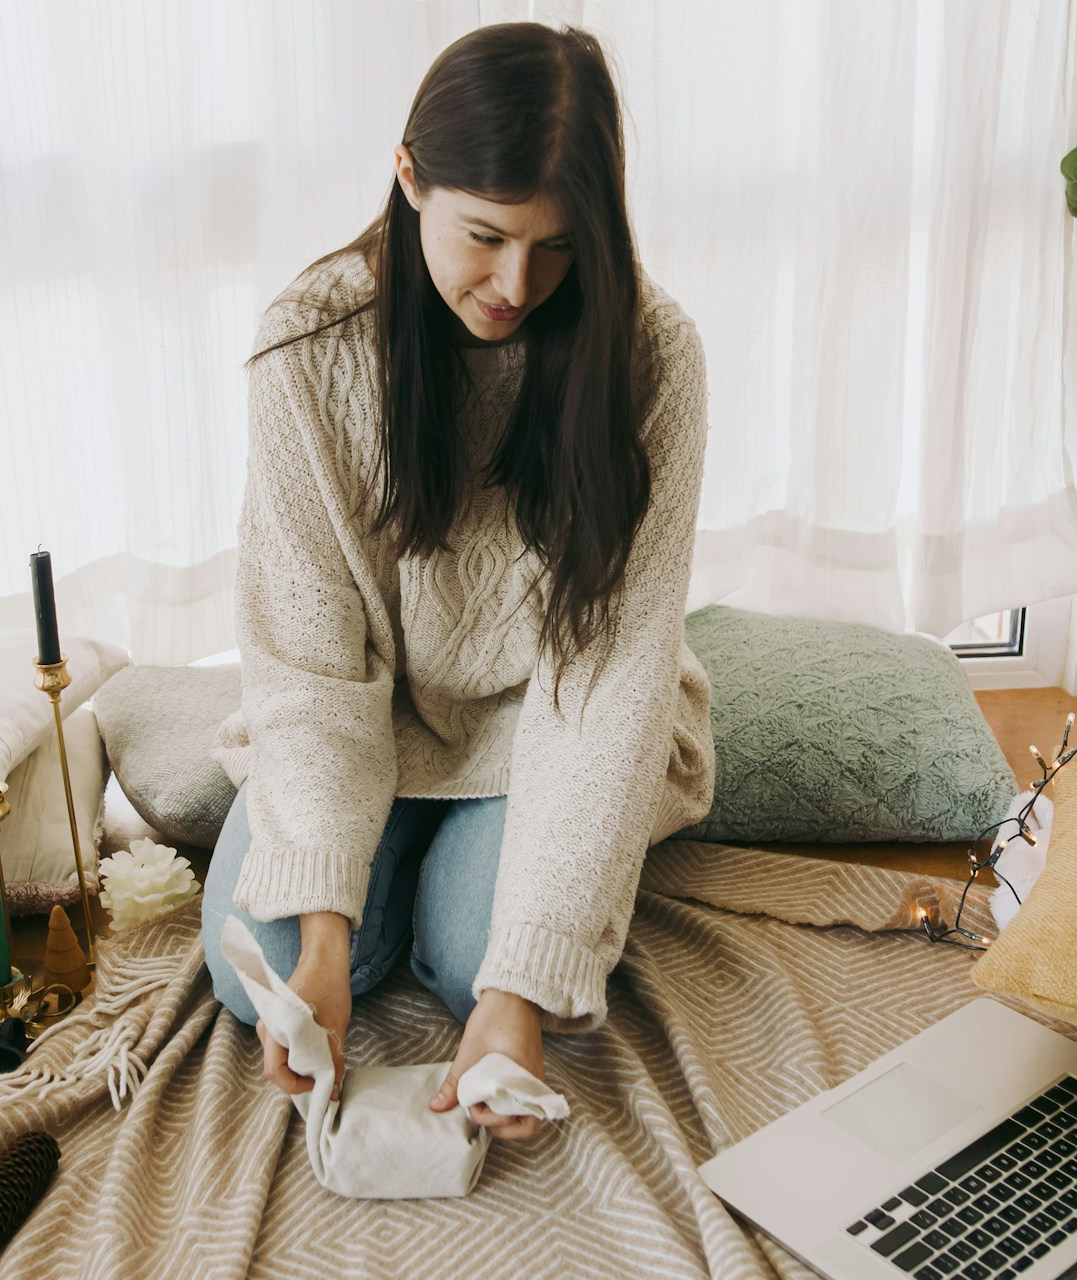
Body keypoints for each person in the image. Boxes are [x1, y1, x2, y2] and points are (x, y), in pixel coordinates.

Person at [202, 21, 714, 1145]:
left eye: (560, 247)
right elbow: (305, 656)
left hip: (552, 718)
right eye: (485, 235)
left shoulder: (653, 357)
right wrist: (327, 941)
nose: (518, 283)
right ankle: (377, 892)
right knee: (265, 978)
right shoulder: (309, 344)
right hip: (367, 706)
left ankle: (461, 902)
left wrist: (515, 993)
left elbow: (609, 679)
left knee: (481, 962)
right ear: (409, 177)